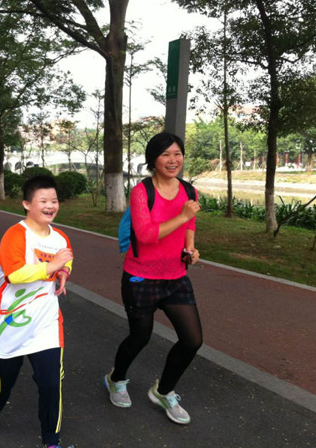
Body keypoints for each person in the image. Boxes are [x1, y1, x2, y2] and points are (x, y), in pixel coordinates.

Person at [103, 132, 202, 425]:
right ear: (153, 160)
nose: (173, 160)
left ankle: (163, 390)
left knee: (192, 340)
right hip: (140, 278)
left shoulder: (189, 191)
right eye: (165, 154)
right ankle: (116, 379)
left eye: (177, 153)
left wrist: (191, 249)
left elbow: (190, 225)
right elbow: (146, 235)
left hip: (176, 277)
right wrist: (182, 216)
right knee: (140, 337)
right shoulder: (141, 192)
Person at [0, 175, 74, 448]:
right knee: (2, 383)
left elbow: (67, 258)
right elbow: (15, 274)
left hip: (46, 324)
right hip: (11, 324)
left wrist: (64, 272)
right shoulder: (15, 234)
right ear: (27, 204)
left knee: (52, 384)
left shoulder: (60, 237)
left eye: (54, 200)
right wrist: (52, 266)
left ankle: (51, 441)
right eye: (43, 201)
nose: (50, 206)